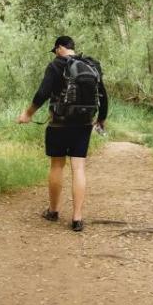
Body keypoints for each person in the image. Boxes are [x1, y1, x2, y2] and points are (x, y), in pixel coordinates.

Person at [16, 35, 108, 231]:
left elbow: (42, 93)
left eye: (55, 50)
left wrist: (28, 113)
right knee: (79, 168)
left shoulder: (56, 65)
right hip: (83, 123)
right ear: (72, 47)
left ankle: (53, 211)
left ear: (59, 48)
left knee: (57, 165)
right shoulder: (92, 65)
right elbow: (103, 95)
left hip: (59, 123)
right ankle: (77, 218)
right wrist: (101, 119)